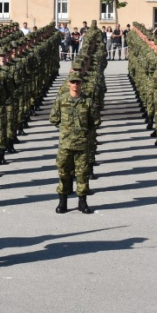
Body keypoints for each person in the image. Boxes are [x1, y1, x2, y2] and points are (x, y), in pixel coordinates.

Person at [49, 71, 98, 215]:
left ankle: (82, 202)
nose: (75, 84)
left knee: (83, 173)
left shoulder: (88, 102)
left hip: (82, 144)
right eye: (73, 82)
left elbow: (94, 121)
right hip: (65, 144)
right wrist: (65, 130)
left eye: (78, 82)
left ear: (81, 84)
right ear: (68, 83)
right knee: (63, 172)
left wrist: (84, 132)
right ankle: (62, 201)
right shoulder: (61, 100)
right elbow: (53, 118)